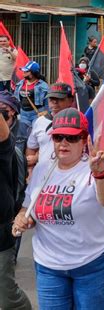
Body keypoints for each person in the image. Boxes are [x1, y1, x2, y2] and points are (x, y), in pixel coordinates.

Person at [12, 108, 104, 309]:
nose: (63, 143)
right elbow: (28, 207)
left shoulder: (94, 167)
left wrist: (100, 173)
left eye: (71, 138)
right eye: (58, 137)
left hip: (91, 265)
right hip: (49, 267)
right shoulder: (43, 169)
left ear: (83, 140)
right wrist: (22, 218)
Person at [0, 92, 32, 310]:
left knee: (6, 295)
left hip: (1, 233)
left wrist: (19, 212)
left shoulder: (7, 148)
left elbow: (20, 188)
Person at [25, 83, 75, 172]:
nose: (54, 102)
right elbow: (31, 148)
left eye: (60, 99)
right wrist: (30, 170)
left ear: (71, 100)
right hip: (42, 176)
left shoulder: (78, 122)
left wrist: (36, 157)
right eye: (51, 99)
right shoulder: (39, 122)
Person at [13, 61, 49, 140]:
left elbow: (48, 103)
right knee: (20, 137)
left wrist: (46, 112)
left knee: (36, 136)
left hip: (37, 114)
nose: (24, 72)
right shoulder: (20, 84)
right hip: (23, 115)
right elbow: (15, 100)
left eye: (26, 71)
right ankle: (20, 152)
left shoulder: (43, 85)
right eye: (24, 70)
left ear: (33, 73)